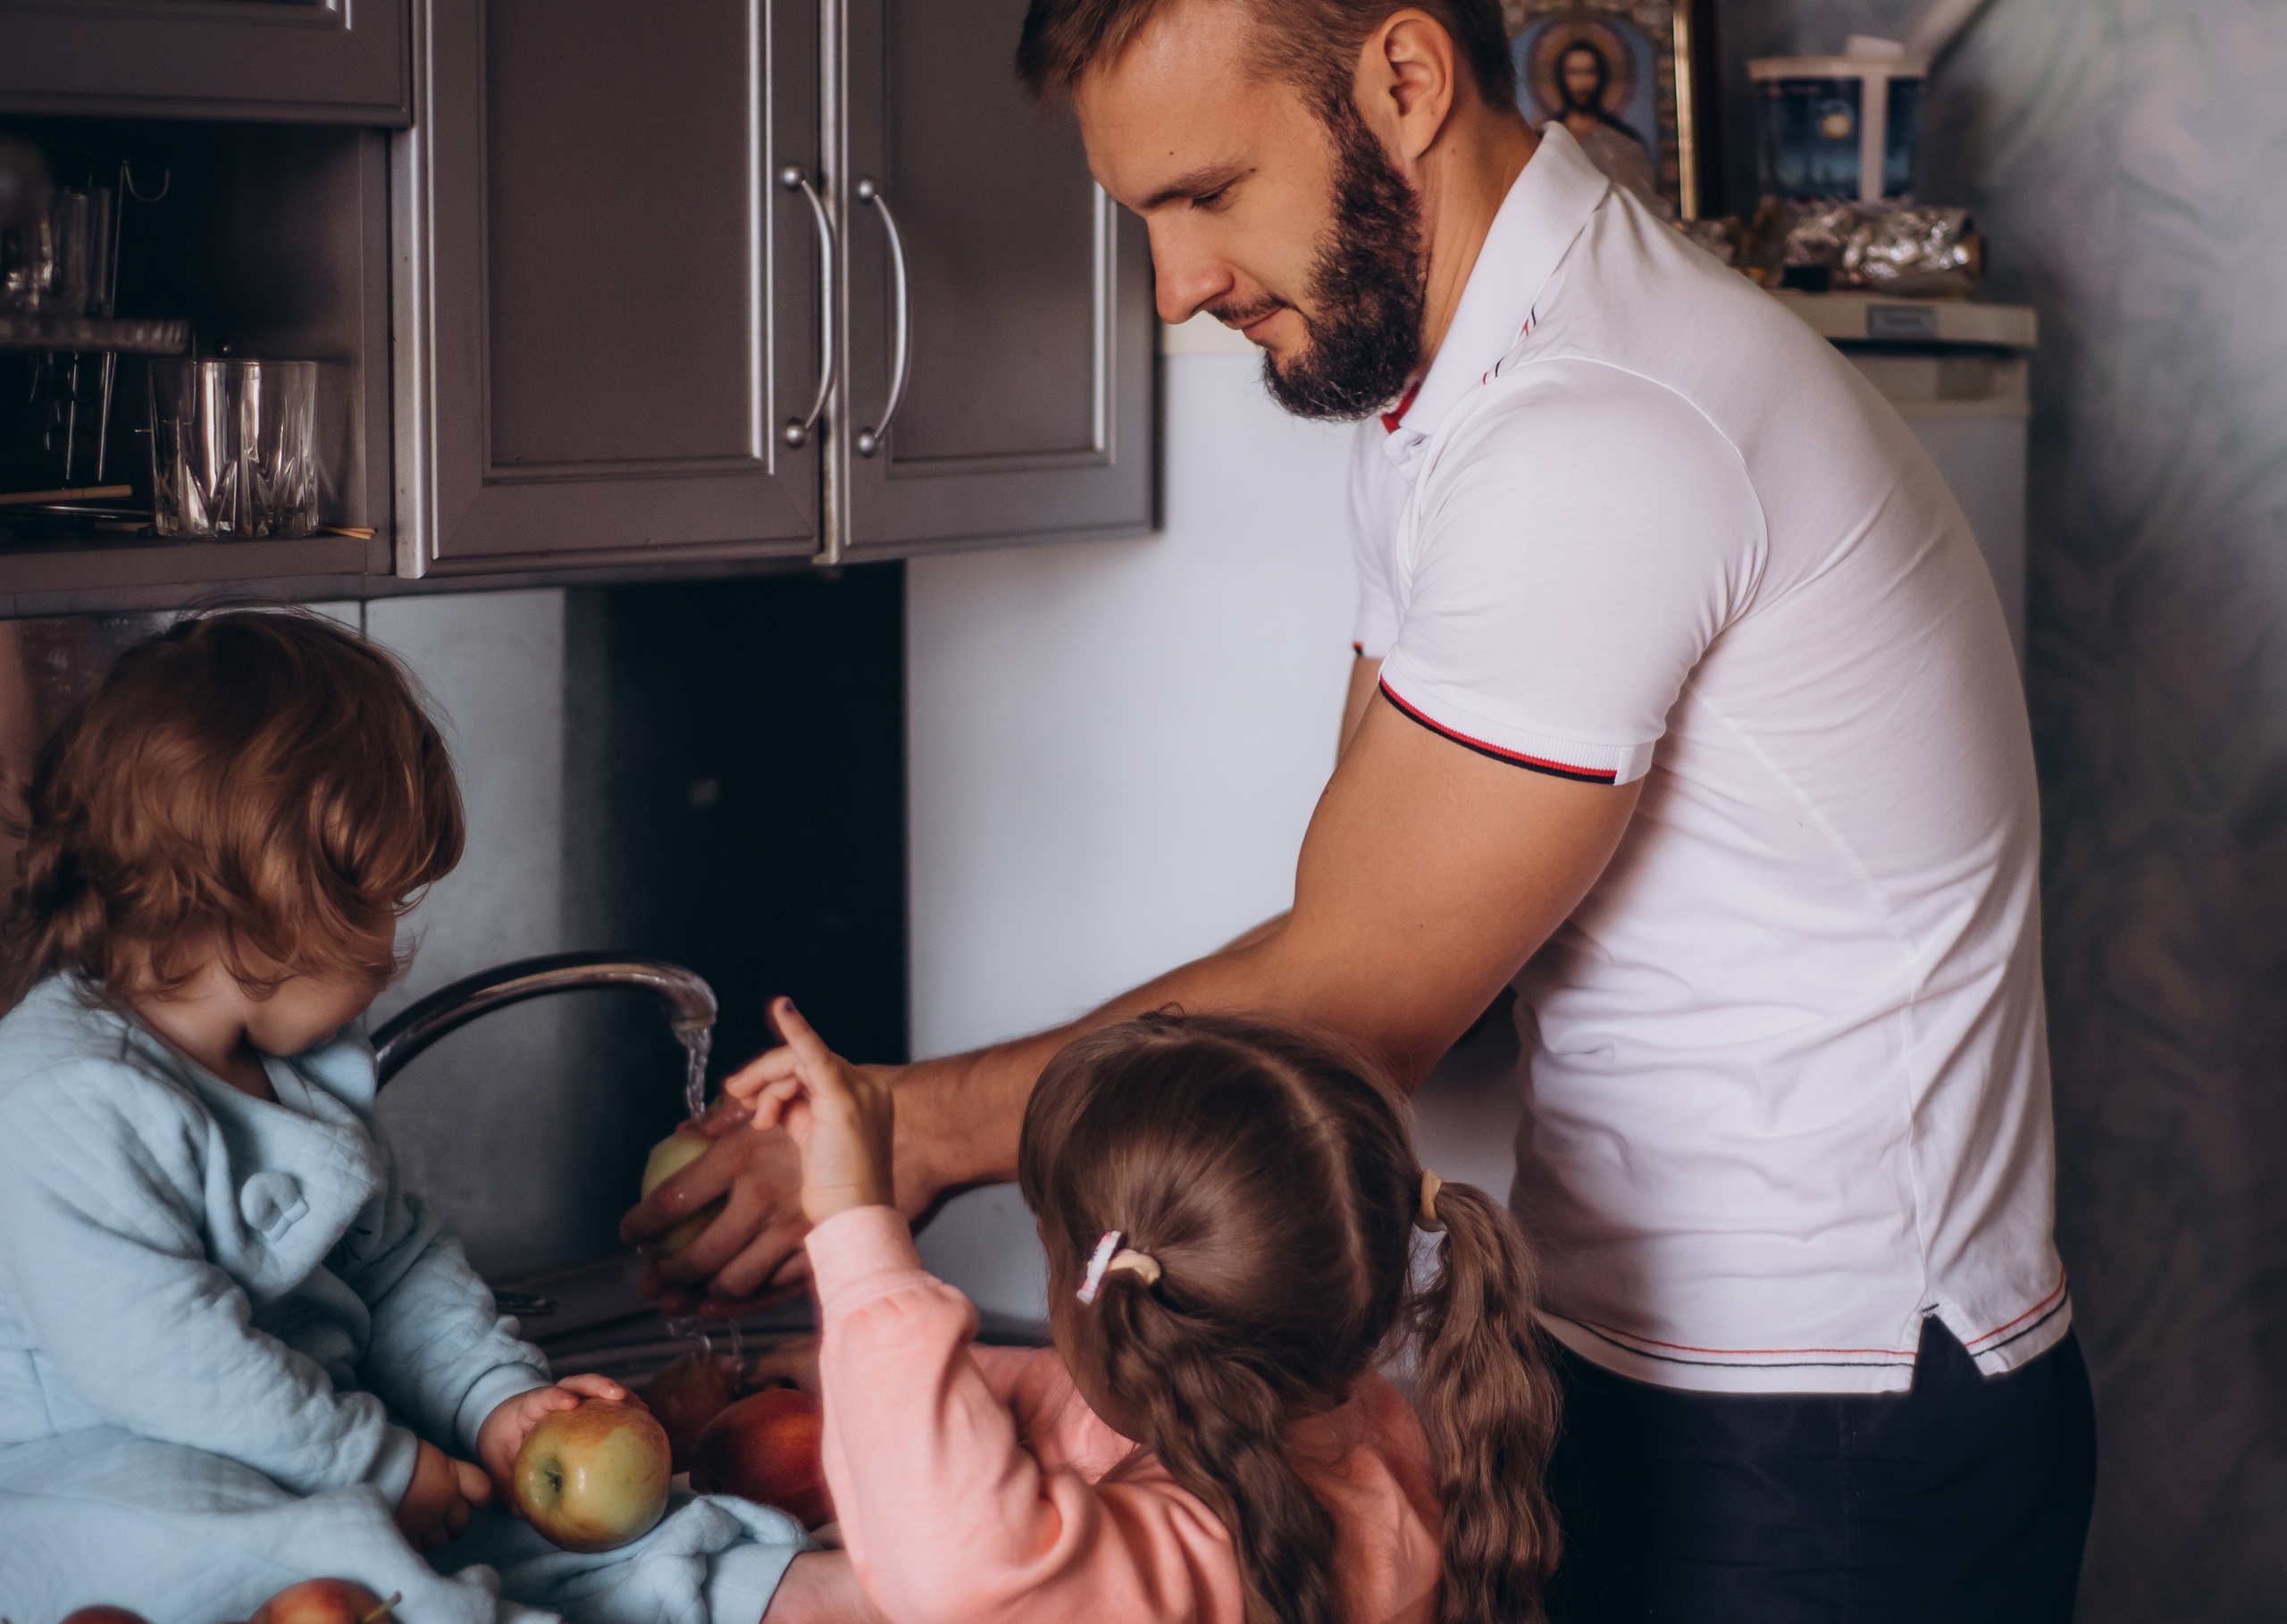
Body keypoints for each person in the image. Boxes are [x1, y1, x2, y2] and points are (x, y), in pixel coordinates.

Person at [625, 1, 2097, 1616]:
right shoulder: (1444, 392)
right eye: (1145, 219)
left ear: (1404, 80)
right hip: (1666, 1360)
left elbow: (1357, 1004)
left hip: (1824, 1419)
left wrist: (907, 1139)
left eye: (1205, 194)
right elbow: (1369, 930)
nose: (1178, 286)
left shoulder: (1591, 430)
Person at [0, 612, 803, 1624]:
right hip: (96, 1474)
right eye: (383, 906)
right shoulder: (66, 1093)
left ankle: (750, 1588)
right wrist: (378, 1463)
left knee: (527, 1526)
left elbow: (401, 1268)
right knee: (309, 1547)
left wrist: (497, 1406)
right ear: (276, 899)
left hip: (311, 1453)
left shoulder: (290, 1077)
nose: (393, 949)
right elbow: (167, 1361)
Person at [749, 997, 1558, 1624]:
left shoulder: (1193, 1556)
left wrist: (861, 1242)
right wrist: (965, 1383)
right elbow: (1135, 1413)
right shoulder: (1382, 1437)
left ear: (1108, 1286)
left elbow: (957, 1567)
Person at [1539, 37, 1666, 217]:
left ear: (1601, 77)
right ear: (1562, 77)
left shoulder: (1626, 144)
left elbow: (1644, 209)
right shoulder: (1543, 139)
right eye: (1574, 72)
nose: (1582, 82)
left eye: (1589, 72)